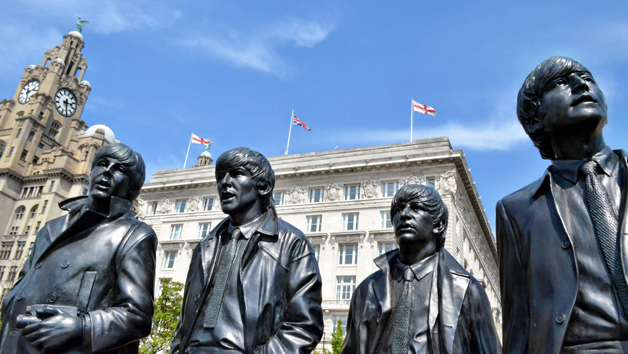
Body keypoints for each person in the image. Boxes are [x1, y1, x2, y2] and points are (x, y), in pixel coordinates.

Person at [497, 56, 628, 353]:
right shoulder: (516, 211)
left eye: (588, 78)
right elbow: (518, 324)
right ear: (535, 118)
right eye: (561, 82)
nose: (582, 84)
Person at [0, 143, 157, 353]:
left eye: (119, 169)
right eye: (102, 164)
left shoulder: (135, 234)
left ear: (133, 188)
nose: (107, 172)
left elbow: (137, 316)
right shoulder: (50, 229)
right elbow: (23, 286)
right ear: (91, 172)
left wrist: (83, 327)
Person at [171, 147, 323, 354]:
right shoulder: (204, 247)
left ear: (263, 186)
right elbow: (184, 321)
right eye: (220, 177)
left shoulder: (291, 243)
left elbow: (304, 327)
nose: (224, 182)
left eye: (236, 174)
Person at [341, 184, 500, 354]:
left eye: (416, 208)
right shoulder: (365, 291)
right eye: (398, 210)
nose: (404, 215)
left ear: (438, 225)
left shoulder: (467, 291)